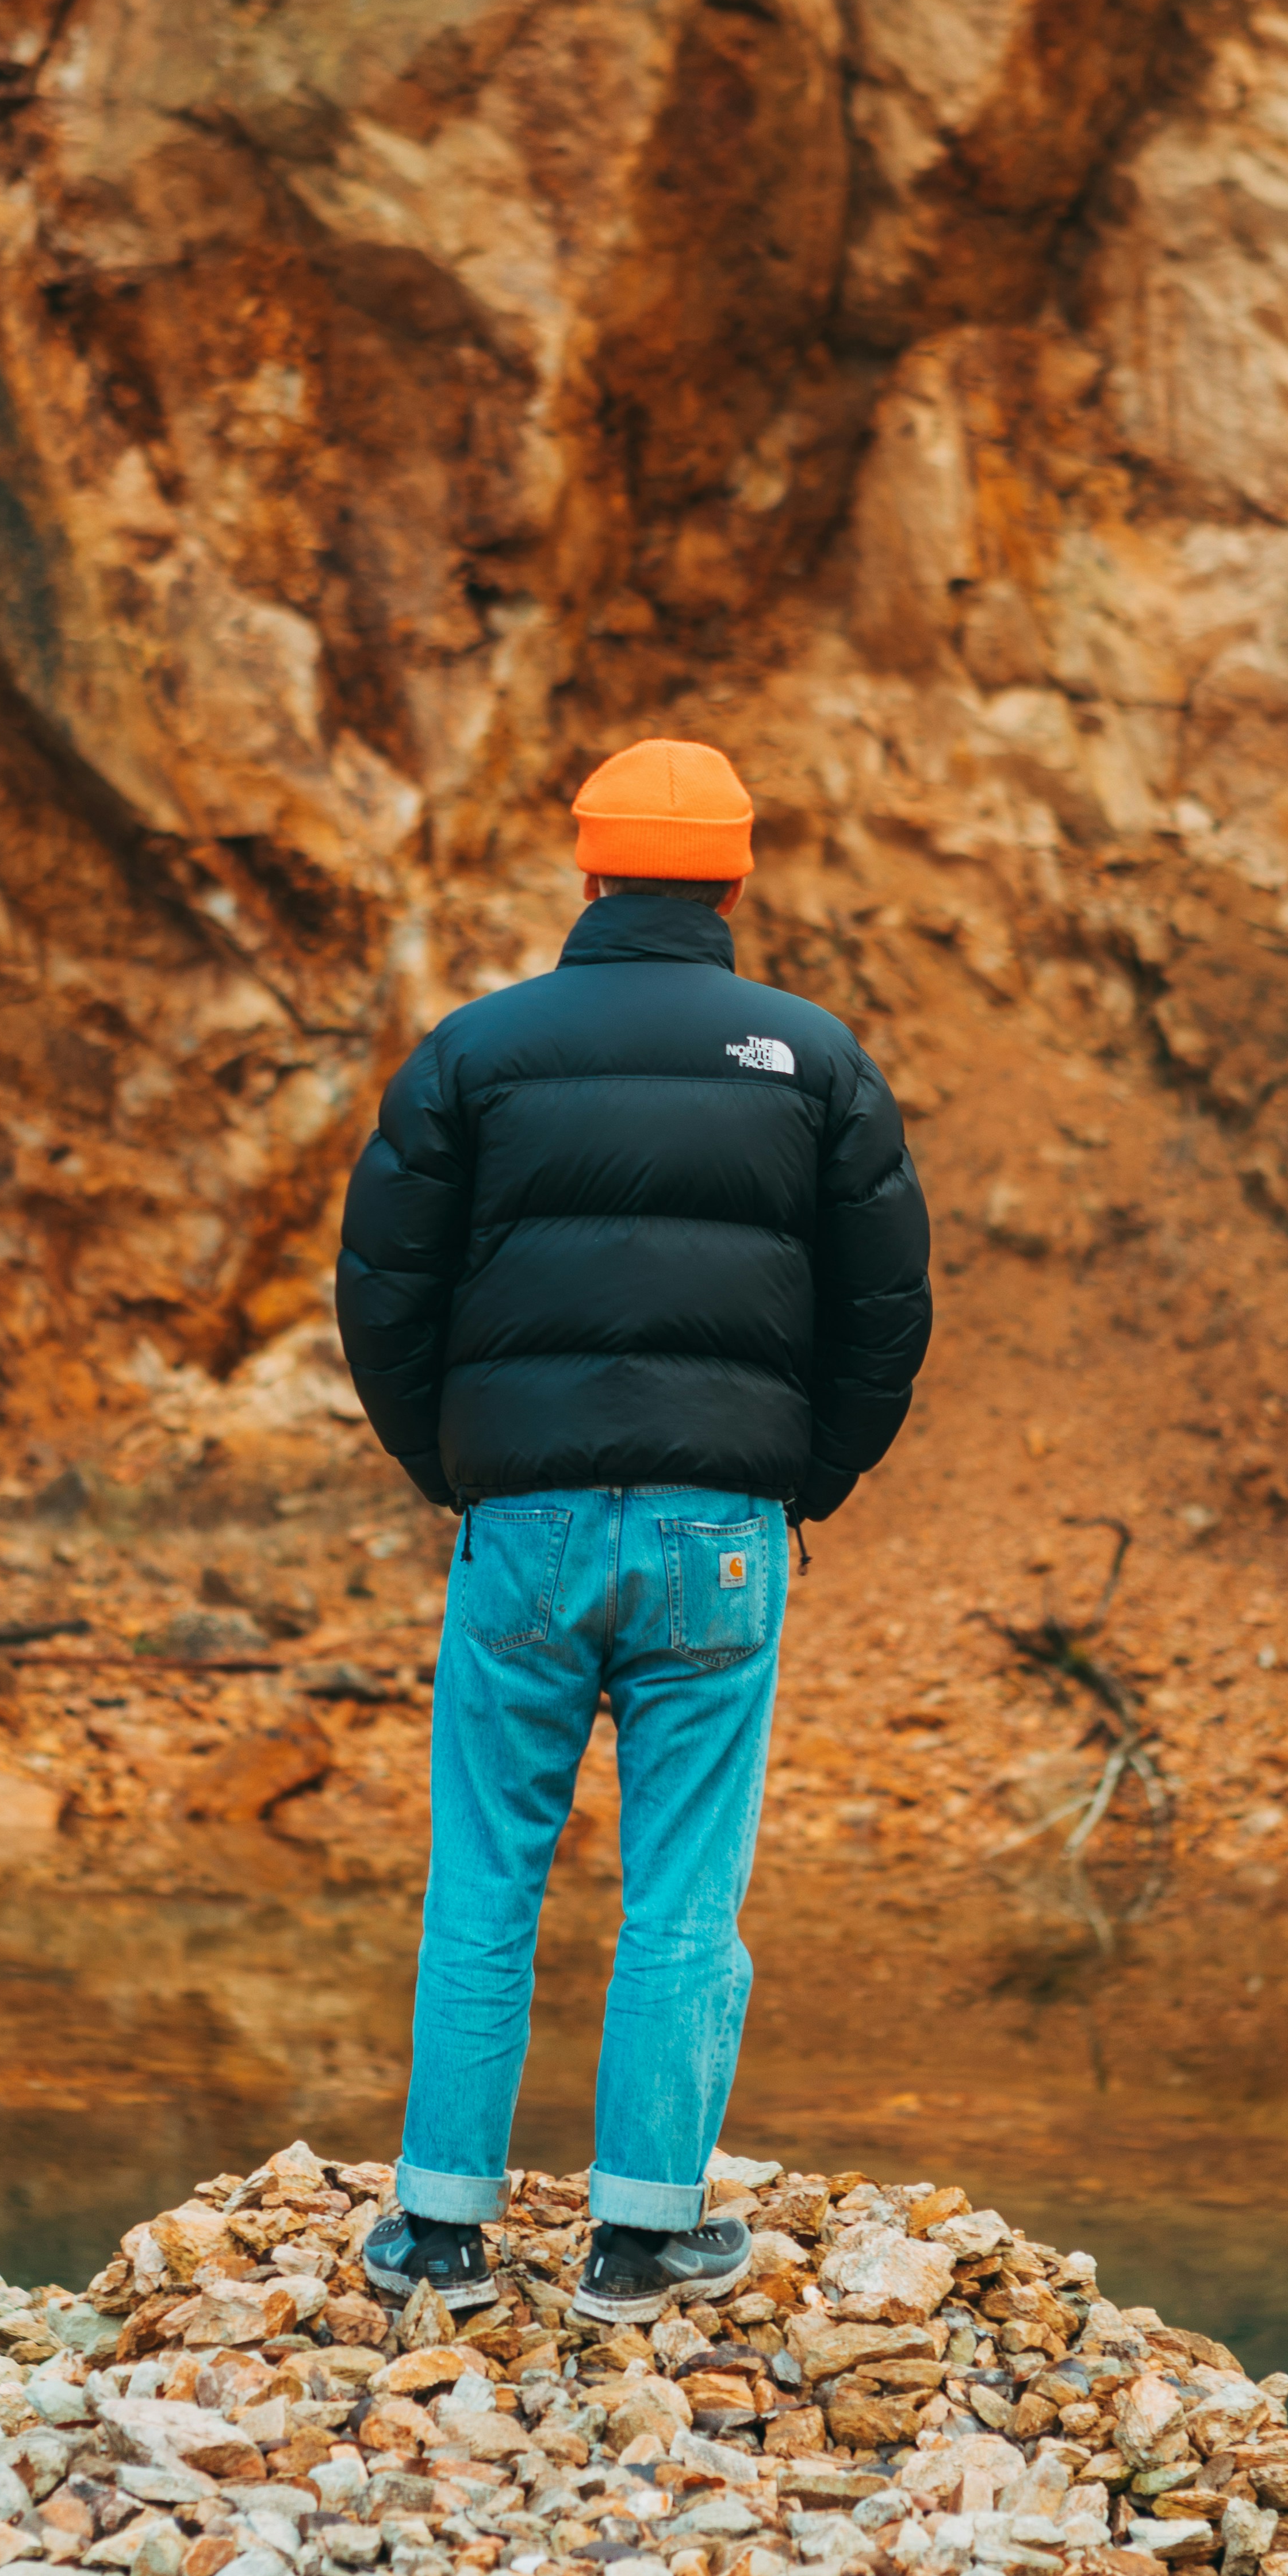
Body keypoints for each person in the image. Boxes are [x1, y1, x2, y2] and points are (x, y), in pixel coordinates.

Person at [334, 736, 934, 2322]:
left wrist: (451, 1466)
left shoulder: (476, 1051)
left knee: (485, 1878)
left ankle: (443, 2240)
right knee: (682, 1891)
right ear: (734, 880)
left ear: (588, 874)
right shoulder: (815, 1061)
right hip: (719, 1536)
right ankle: (644, 2238)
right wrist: (806, 1480)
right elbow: (889, 1312)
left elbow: (381, 1289)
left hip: (520, 1526)